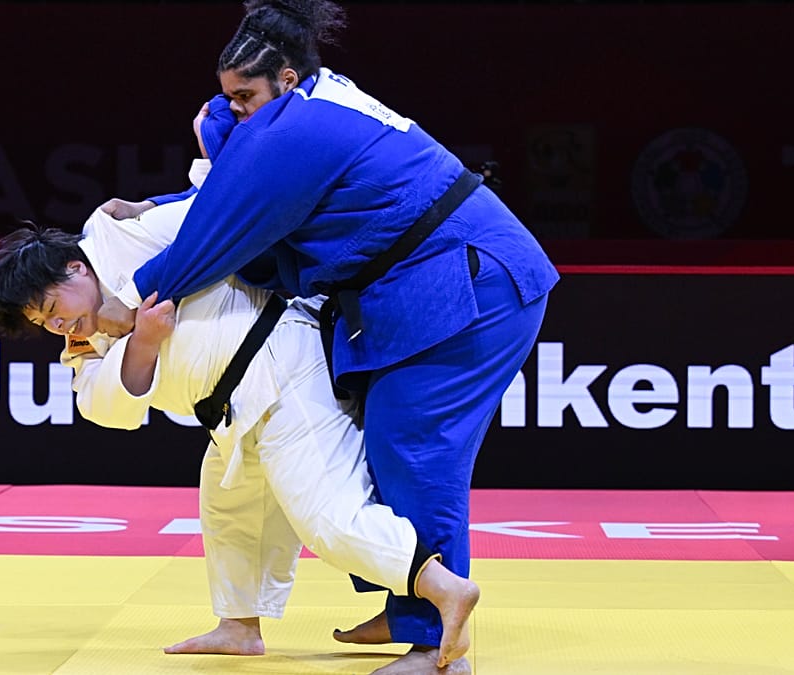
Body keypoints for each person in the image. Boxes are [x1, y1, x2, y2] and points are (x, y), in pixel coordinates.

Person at [96, 1, 559, 672]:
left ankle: (437, 646)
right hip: (437, 282)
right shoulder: (308, 107)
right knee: (379, 441)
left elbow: (216, 238)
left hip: (473, 283)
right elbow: (244, 206)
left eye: (244, 97)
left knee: (415, 446)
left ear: (285, 79)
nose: (232, 111)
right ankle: (407, 603)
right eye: (226, 99)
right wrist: (164, 202)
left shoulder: (298, 128)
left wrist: (131, 301)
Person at [0, 101, 478, 662]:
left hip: (284, 364)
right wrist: (141, 342)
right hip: (230, 409)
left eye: (51, 307)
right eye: (44, 324)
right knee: (230, 509)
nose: (59, 324)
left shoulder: (123, 237)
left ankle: (444, 589)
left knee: (325, 515)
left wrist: (152, 215)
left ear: (74, 268)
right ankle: (240, 626)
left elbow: (217, 211)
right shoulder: (83, 340)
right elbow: (104, 408)